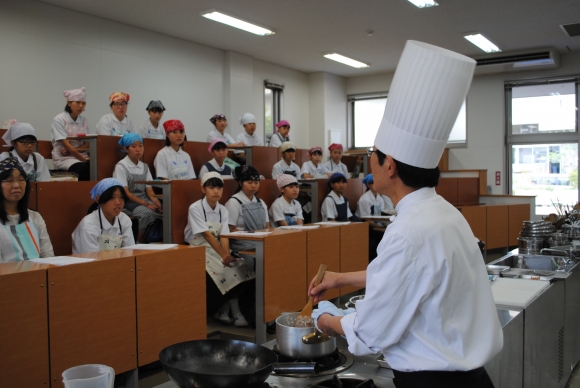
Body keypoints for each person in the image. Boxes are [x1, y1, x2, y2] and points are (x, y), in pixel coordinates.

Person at [309, 40, 502, 388]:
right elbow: (416, 276)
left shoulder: (408, 231)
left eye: (373, 153)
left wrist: (326, 319)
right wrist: (342, 279)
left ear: (390, 167)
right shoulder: (443, 213)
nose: (369, 160)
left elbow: (371, 332)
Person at [185, 172, 255, 327]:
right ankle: (235, 313)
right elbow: (207, 235)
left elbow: (223, 235)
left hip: (215, 245)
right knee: (223, 270)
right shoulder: (195, 208)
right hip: (197, 247)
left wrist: (227, 255)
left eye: (219, 187)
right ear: (203, 189)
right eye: (211, 187)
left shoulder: (223, 210)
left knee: (241, 266)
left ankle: (223, 310)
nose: (216, 191)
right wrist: (223, 255)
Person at [0, 157, 53, 263]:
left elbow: (48, 256)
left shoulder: (34, 217)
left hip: (38, 275)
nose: (17, 185)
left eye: (21, 180)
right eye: (9, 181)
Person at [113, 133, 162, 240]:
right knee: (147, 214)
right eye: (133, 146)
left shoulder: (144, 166)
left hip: (143, 200)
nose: (138, 149)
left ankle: (152, 241)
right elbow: (125, 192)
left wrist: (155, 201)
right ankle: (138, 242)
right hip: (127, 202)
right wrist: (147, 205)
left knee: (162, 212)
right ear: (126, 149)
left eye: (141, 145)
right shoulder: (121, 166)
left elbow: (149, 190)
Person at [72, 178, 135, 253]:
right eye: (112, 197)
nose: (118, 202)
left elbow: (129, 252)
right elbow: (92, 260)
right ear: (99, 199)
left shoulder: (124, 220)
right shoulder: (89, 225)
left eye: (121, 197)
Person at [225, 165, 269, 267]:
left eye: (256, 183)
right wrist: (250, 234)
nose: (253, 186)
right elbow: (229, 229)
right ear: (240, 183)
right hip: (241, 244)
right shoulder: (233, 202)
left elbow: (267, 227)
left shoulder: (260, 202)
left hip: (259, 241)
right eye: (249, 183)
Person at [51, 87, 90, 180]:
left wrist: (79, 152)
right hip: (64, 158)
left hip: (81, 155)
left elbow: (88, 144)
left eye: (83, 103)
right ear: (69, 103)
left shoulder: (84, 121)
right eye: (77, 102)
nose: (81, 106)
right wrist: (82, 159)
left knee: (99, 167)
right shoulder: (59, 119)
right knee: (83, 168)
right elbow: (66, 144)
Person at [356, 174, 388, 261]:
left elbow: (381, 215)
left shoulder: (380, 199)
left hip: (376, 225)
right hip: (365, 227)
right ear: (369, 185)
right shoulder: (364, 199)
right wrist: (380, 227)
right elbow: (366, 219)